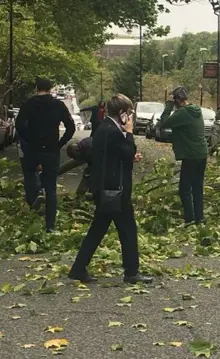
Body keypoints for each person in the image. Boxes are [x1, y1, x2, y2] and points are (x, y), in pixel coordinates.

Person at [69, 94, 151, 284]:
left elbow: (117, 155)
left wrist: (130, 156)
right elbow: (127, 150)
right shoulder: (114, 131)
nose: (130, 117)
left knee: (98, 229)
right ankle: (131, 273)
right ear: (122, 113)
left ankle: (78, 268)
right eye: (129, 113)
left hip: (104, 187)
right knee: (128, 230)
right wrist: (130, 133)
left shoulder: (104, 128)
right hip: (114, 189)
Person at [16, 77, 75, 233]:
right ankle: (50, 225)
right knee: (51, 188)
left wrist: (30, 139)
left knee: (29, 176)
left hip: (33, 149)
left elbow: (19, 125)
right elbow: (71, 128)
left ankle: (32, 207)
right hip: (51, 150)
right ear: (50, 89)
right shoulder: (58, 105)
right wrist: (59, 144)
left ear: (37, 88)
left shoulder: (29, 104)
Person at [159, 87, 208, 225]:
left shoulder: (183, 113)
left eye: (173, 99)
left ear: (176, 100)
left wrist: (168, 106)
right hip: (202, 153)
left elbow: (164, 123)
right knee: (197, 187)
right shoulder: (196, 110)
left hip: (191, 155)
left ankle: (190, 219)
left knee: (184, 189)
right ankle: (200, 218)